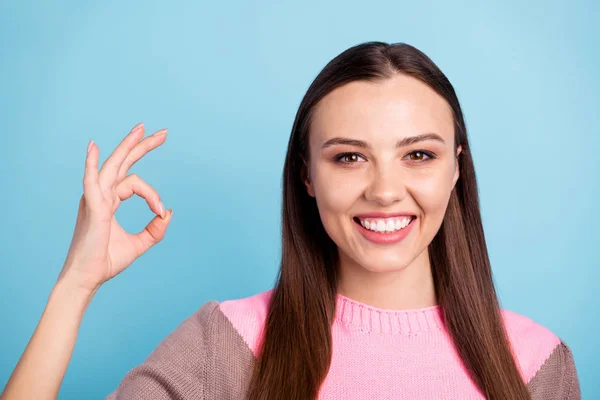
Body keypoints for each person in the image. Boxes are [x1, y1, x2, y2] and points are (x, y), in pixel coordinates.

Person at [0, 41, 581, 400]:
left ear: (457, 169)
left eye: (419, 155)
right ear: (307, 176)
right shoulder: (223, 345)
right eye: (349, 157)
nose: (383, 190)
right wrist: (75, 285)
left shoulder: (535, 364)